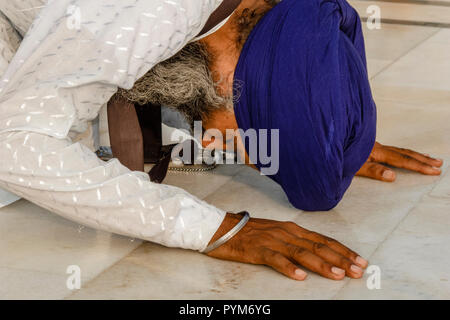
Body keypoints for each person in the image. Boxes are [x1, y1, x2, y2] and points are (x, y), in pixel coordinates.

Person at [0, 0, 442, 282]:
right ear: (239, 75)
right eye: (243, 141)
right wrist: (210, 228)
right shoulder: (149, 12)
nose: (211, 144)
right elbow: (14, 145)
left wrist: (323, 129)